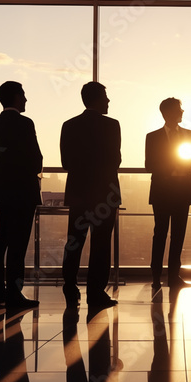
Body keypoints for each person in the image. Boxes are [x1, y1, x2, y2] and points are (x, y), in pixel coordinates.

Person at [60, 81, 121, 311]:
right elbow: (115, 160)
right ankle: (95, 292)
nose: (108, 101)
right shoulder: (112, 126)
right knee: (101, 244)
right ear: (97, 99)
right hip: (105, 194)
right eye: (105, 96)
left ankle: (70, 285)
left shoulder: (69, 125)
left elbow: (66, 162)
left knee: (74, 241)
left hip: (78, 193)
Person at [0, 81, 41, 310]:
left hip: (1, 191)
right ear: (16, 98)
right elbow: (36, 160)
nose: (26, 100)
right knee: (18, 245)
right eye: (24, 95)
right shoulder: (25, 124)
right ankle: (14, 294)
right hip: (23, 192)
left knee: (1, 239)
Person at [145, 98, 191, 290]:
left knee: (178, 234)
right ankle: (156, 275)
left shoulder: (190, 135)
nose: (182, 112)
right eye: (179, 109)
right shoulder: (153, 136)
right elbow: (149, 165)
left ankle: (173, 276)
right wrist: (174, 165)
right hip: (163, 191)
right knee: (160, 233)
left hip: (182, 191)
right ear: (167, 113)